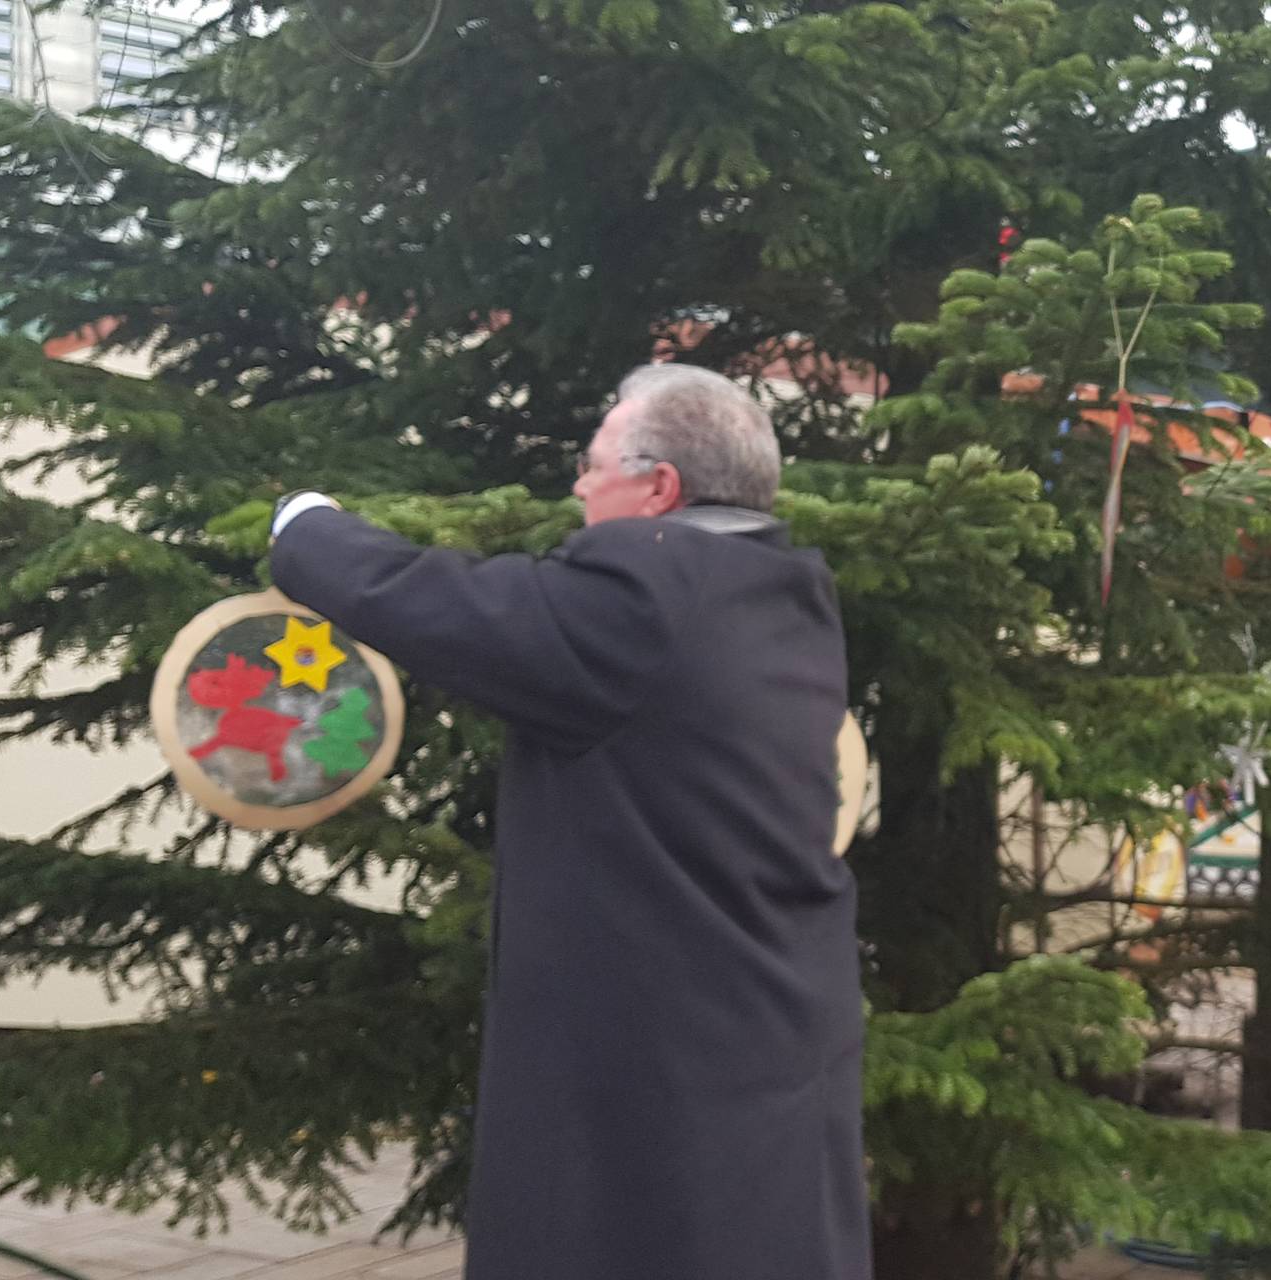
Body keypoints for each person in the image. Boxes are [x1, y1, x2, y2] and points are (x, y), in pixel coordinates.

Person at [266, 364, 869, 1280]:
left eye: (592, 465)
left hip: (666, 1066)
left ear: (659, 487)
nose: (578, 489)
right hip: (773, 1035)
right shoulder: (778, 594)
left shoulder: (648, 595)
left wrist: (307, 528)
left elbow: (449, 607)